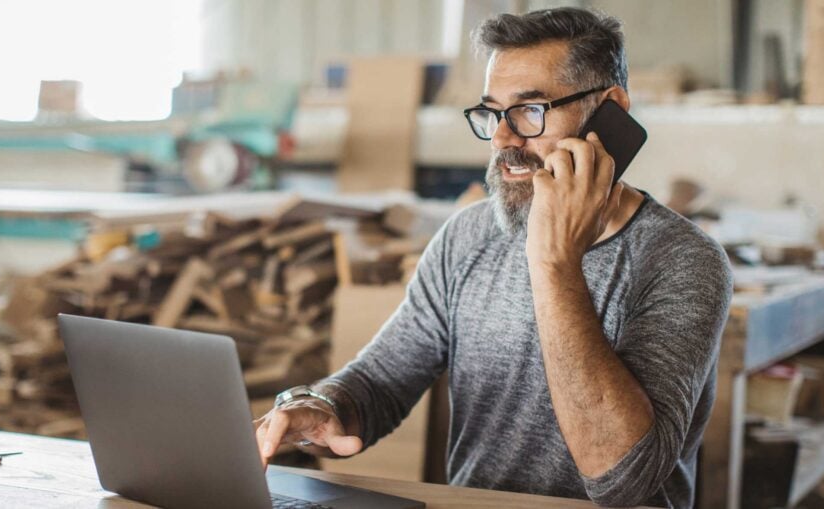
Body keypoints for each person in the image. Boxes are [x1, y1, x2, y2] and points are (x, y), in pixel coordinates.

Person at [254, 7, 732, 508]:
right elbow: (381, 380)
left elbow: (623, 479)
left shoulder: (684, 260)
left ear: (609, 112)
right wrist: (320, 404)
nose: (504, 139)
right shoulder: (468, 236)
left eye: (531, 111)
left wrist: (554, 260)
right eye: (492, 113)